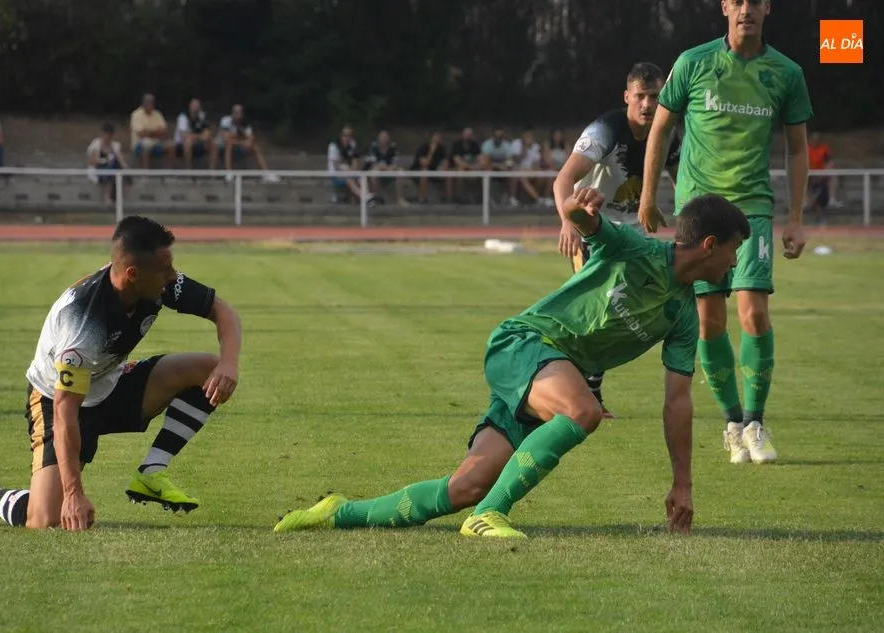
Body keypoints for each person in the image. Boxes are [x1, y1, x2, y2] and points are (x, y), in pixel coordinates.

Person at [274, 192, 751, 539]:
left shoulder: (686, 315)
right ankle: (490, 515)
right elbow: (586, 223)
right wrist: (579, 211)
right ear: (709, 244)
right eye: (733, 251)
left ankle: (339, 512)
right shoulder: (636, 249)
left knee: (465, 486)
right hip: (523, 343)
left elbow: (677, 401)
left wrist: (682, 483)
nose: (734, 264)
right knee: (582, 412)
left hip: (550, 372)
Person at [0, 216, 243, 531]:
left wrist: (229, 363)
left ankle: (151, 472)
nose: (173, 276)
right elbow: (65, 408)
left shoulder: (158, 282)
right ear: (133, 274)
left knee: (209, 368)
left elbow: (225, 312)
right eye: (165, 270)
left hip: (108, 384)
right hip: (57, 401)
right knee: (45, 519)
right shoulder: (83, 324)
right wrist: (73, 493)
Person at [638, 0, 812, 465]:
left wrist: (795, 216)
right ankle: (733, 424)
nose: (746, 10)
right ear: (724, 8)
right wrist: (648, 196)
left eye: (754, 1)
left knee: (753, 314)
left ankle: (756, 422)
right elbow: (660, 130)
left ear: (767, 8)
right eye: (737, 1)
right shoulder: (692, 62)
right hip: (697, 211)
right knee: (710, 322)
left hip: (751, 208)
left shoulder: (786, 73)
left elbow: (797, 149)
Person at [553, 62, 682, 418]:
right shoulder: (606, 130)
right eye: (640, 96)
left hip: (636, 232)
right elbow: (563, 179)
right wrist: (567, 221)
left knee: (638, 305)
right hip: (593, 227)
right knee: (602, 304)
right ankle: (575, 388)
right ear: (627, 97)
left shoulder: (667, 133)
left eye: (654, 96)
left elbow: (684, 185)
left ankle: (583, 383)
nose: (647, 104)